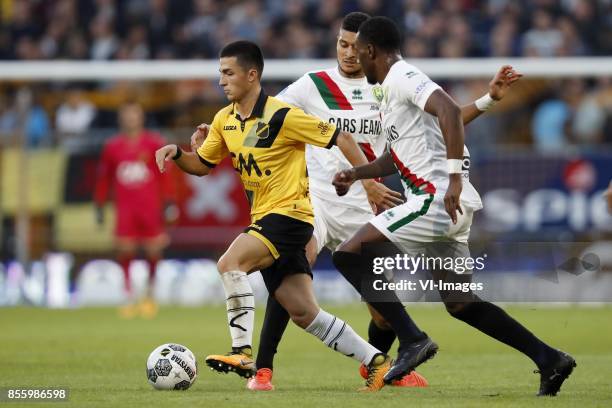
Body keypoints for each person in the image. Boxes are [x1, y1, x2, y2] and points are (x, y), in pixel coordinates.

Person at [191, 12, 524, 392]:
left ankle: (377, 369)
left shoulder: (382, 86)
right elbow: (257, 117)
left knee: (381, 308)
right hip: (315, 197)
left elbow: (442, 119)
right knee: (294, 262)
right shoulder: (312, 85)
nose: (347, 53)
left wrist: (486, 101)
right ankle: (263, 368)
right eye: (341, 44)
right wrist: (211, 135)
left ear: (369, 48)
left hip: (368, 203)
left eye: (354, 46)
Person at [331, 16, 576, 396]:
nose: (354, 60)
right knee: (462, 303)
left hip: (435, 199)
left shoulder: (401, 75)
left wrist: (455, 176)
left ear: (369, 50)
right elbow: (400, 154)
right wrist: (356, 172)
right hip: (446, 205)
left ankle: (412, 339)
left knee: (349, 254)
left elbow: (446, 109)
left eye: (357, 52)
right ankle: (550, 359)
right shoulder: (389, 92)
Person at [155, 40, 398, 392]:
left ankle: (242, 351)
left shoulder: (282, 115)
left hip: (290, 216)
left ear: (251, 75)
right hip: (270, 218)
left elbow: (342, 137)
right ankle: (377, 361)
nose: (221, 81)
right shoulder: (225, 120)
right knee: (303, 313)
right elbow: (202, 165)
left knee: (229, 264)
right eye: (219, 73)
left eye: (228, 73)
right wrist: (177, 152)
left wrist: (368, 181)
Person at [94, 101, 176, 319]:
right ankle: (128, 294)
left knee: (153, 249)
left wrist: (169, 201)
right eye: (127, 114)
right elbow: (104, 178)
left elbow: (164, 175)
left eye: (134, 114)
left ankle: (149, 294)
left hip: (149, 206)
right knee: (125, 248)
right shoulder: (112, 147)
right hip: (125, 207)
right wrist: (100, 204)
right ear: (121, 118)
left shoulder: (153, 143)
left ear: (141, 117)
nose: (131, 118)